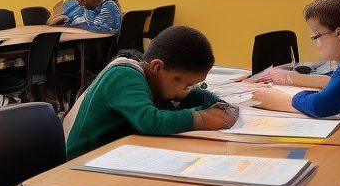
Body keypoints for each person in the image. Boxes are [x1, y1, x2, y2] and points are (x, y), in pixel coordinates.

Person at [64, 25, 237, 159]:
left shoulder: (155, 78)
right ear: (157, 67)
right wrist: (202, 119)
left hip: (118, 154)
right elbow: (150, 121)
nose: (187, 90)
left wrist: (216, 103)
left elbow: (189, 95)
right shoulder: (124, 74)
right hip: (84, 160)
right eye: (186, 84)